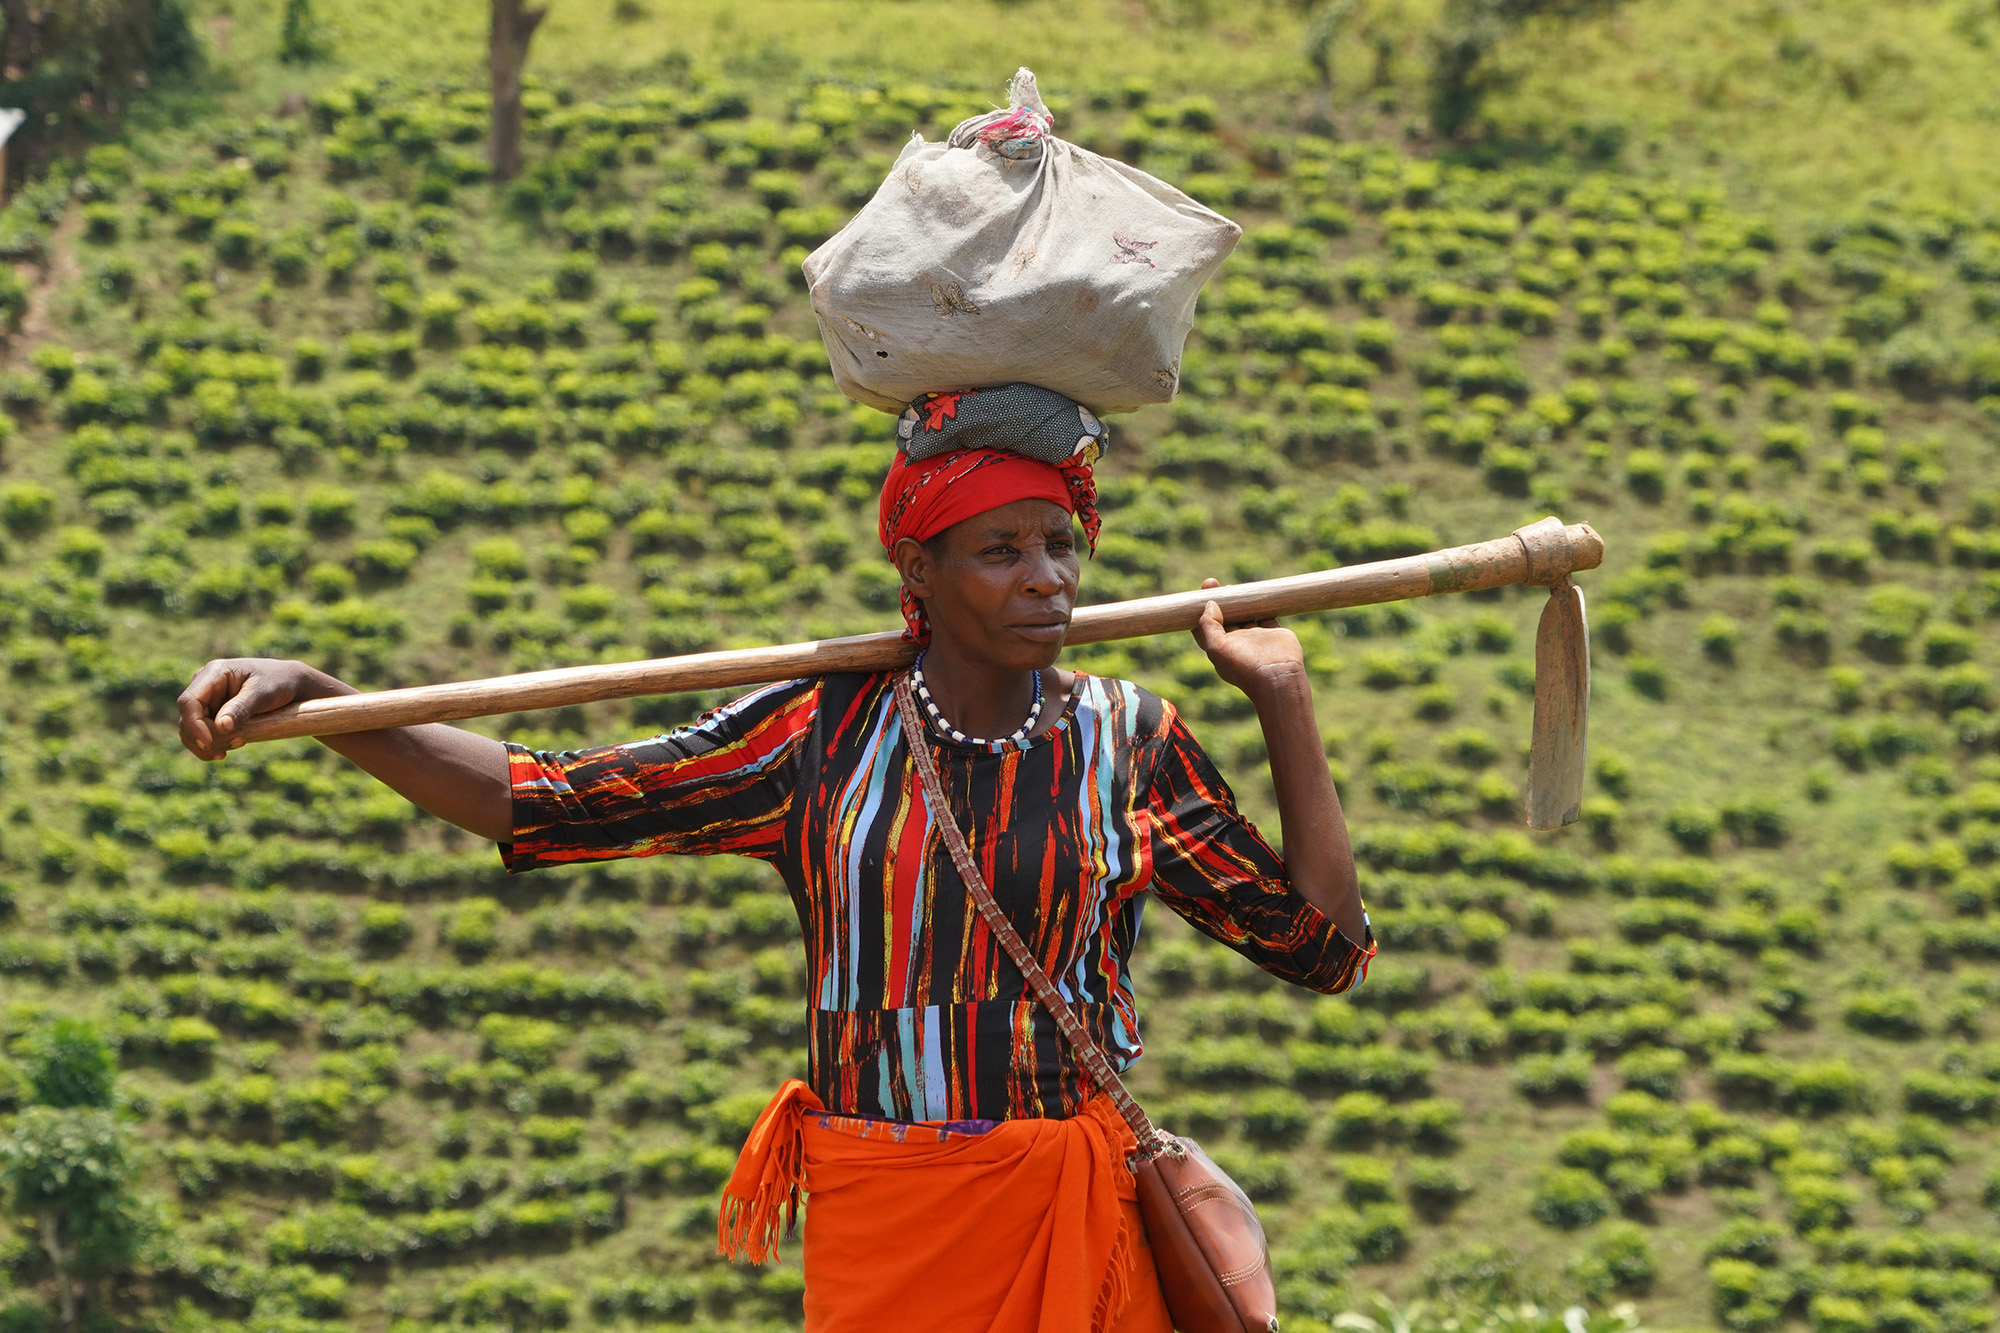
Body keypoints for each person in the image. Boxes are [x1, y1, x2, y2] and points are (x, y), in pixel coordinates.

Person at [176, 382, 1373, 1333]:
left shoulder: (1128, 740)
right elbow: (541, 802)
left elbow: (1317, 949)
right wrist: (333, 702)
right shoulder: (814, 733)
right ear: (917, 572)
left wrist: (1283, 700)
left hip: (1075, 1214)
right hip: (890, 1225)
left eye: (1060, 543)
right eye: (999, 549)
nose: (1046, 578)